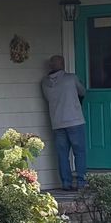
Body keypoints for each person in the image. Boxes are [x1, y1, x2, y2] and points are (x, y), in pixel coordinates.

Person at [41, 54, 87, 190]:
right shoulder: (71, 78)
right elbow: (82, 91)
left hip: (57, 122)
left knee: (62, 154)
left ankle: (66, 183)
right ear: (62, 64)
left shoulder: (44, 83)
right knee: (79, 152)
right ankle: (81, 182)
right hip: (75, 120)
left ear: (51, 66)